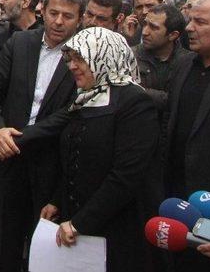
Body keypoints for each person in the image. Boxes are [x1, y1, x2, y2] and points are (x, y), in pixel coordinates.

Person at [33, 28, 159, 272]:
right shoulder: (85, 98)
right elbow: (74, 157)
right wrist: (57, 200)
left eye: (80, 58)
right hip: (77, 221)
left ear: (105, 56)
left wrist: (81, 222)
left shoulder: (134, 101)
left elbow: (127, 174)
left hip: (116, 225)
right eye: (70, 59)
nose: (72, 66)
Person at [0, 0, 81, 272]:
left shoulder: (84, 53)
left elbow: (73, 110)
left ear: (80, 19)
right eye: (53, 13)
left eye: (68, 16)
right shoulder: (20, 43)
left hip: (50, 165)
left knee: (44, 245)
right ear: (42, 11)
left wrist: (20, 138)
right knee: (3, 239)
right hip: (6, 158)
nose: (59, 21)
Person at [166, 0, 210, 272]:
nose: (190, 27)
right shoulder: (183, 66)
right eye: (190, 19)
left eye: (200, 21)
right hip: (181, 208)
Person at [133, 4, 190, 111]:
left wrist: (138, 91)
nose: (145, 32)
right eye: (145, 24)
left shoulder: (188, 62)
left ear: (173, 35)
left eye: (153, 27)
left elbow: (181, 102)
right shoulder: (130, 56)